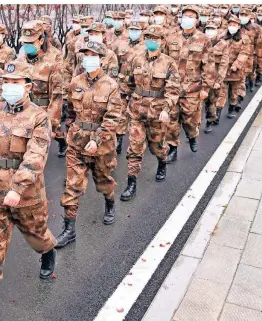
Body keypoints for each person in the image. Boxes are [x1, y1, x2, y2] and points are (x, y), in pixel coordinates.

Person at [0, 61, 57, 320]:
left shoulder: (38, 117)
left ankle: (48, 253)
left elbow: (36, 155)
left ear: (27, 87)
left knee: (36, 234)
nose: (9, 86)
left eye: (15, 83)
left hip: (25, 193)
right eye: (6, 82)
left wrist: (17, 187)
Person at [57, 41, 122, 248]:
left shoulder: (111, 85)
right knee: (72, 186)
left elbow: (112, 118)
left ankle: (110, 203)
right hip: (77, 142)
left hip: (101, 144)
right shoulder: (75, 82)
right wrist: (68, 129)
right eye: (85, 55)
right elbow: (69, 110)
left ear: (101, 59)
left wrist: (96, 139)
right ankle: (69, 230)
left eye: (92, 55)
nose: (88, 58)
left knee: (103, 180)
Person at [120, 25, 181, 201]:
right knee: (135, 148)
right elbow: (127, 83)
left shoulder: (169, 63)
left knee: (157, 147)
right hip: (137, 112)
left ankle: (162, 162)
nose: (151, 42)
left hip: (157, 112)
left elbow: (173, 89)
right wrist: (124, 101)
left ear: (161, 42)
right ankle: (131, 183)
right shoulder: (136, 60)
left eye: (155, 39)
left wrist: (167, 109)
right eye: (148, 39)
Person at [164, 5, 215, 162]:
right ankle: (173, 148)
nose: (187, 19)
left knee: (190, 120)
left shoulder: (203, 40)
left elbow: (209, 65)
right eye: (185, 15)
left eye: (191, 16)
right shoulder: (171, 37)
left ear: (197, 20)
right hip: (172, 88)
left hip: (192, 89)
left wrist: (206, 88)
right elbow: (164, 61)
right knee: (172, 120)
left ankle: (192, 136)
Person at [18, 20, 64, 158]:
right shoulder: (19, 62)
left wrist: (51, 125)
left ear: (41, 40)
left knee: (35, 159)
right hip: (22, 117)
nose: (27, 46)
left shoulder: (52, 62)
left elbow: (56, 96)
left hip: (41, 116)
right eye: (25, 43)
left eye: (31, 43)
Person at [115, 20, 146, 154]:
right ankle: (119, 141)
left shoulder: (146, 47)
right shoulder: (122, 44)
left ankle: (137, 146)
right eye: (132, 29)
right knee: (120, 115)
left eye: (137, 30)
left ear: (141, 32)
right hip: (122, 86)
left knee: (136, 117)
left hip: (139, 89)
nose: (134, 32)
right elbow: (115, 63)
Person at [220, 15, 251, 118]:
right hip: (223, 70)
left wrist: (236, 65)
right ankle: (215, 117)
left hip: (236, 72)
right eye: (230, 24)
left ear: (238, 26)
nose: (232, 27)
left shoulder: (244, 38)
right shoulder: (222, 35)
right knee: (220, 94)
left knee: (234, 93)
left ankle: (231, 109)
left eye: (234, 25)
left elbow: (244, 53)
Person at [204, 20, 230, 129]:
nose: (210, 31)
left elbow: (223, 65)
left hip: (213, 79)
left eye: (212, 29)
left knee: (211, 102)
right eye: (208, 29)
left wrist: (218, 81)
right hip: (199, 78)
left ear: (217, 30)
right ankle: (193, 131)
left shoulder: (223, 45)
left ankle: (210, 121)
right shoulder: (199, 42)